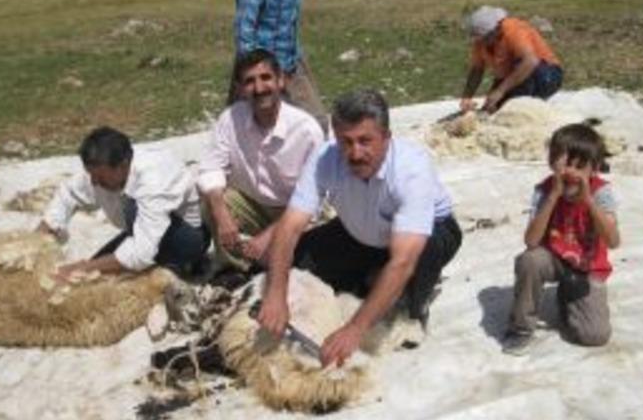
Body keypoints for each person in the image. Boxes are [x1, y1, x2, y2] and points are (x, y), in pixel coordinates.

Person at [257, 89, 463, 367]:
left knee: (406, 281)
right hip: (358, 231)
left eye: (366, 141)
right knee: (294, 265)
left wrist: (353, 330)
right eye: (346, 142)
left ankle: (416, 297)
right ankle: (369, 278)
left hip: (425, 236)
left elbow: (402, 261)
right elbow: (290, 226)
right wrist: (276, 294)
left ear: (387, 138)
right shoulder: (325, 158)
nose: (355, 153)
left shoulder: (411, 169)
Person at [198, 49, 325, 274]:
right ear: (239, 88)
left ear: (281, 81)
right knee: (211, 197)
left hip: (294, 211)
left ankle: (263, 257)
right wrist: (221, 214)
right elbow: (210, 168)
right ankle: (236, 268)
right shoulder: (231, 118)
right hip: (253, 204)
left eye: (266, 78)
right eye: (249, 81)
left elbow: (310, 199)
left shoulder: (306, 130)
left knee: (298, 260)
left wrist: (270, 235)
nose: (259, 88)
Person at [502, 123, 620, 355]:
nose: (571, 172)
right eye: (565, 163)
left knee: (595, 335)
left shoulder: (600, 192)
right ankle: (521, 327)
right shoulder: (544, 190)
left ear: (594, 170)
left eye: (580, 166)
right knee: (530, 260)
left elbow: (613, 240)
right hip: (553, 258)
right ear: (551, 161)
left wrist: (588, 202)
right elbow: (531, 241)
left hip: (587, 267)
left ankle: (568, 299)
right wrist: (554, 196)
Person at [37, 126, 210, 279]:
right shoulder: (102, 169)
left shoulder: (154, 178)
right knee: (92, 275)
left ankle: (181, 266)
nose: (95, 182)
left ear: (123, 164)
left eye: (100, 177)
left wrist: (83, 268)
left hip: (186, 239)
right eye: (92, 176)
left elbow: (142, 252)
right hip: (141, 232)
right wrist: (41, 238)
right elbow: (69, 193)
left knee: (131, 210)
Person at [231, 0, 328, 132]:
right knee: (248, 133)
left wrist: (296, 57)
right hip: (261, 65)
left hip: (290, 60)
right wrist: (254, 74)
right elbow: (244, 25)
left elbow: (288, 17)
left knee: (317, 126)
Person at [459, 5, 563, 114]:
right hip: (513, 76)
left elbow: (530, 61)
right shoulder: (481, 41)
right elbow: (477, 70)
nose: (483, 42)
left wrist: (500, 91)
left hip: (545, 74)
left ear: (497, 29)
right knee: (492, 107)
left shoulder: (514, 29)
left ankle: (523, 105)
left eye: (487, 37)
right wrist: (467, 97)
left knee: (512, 105)